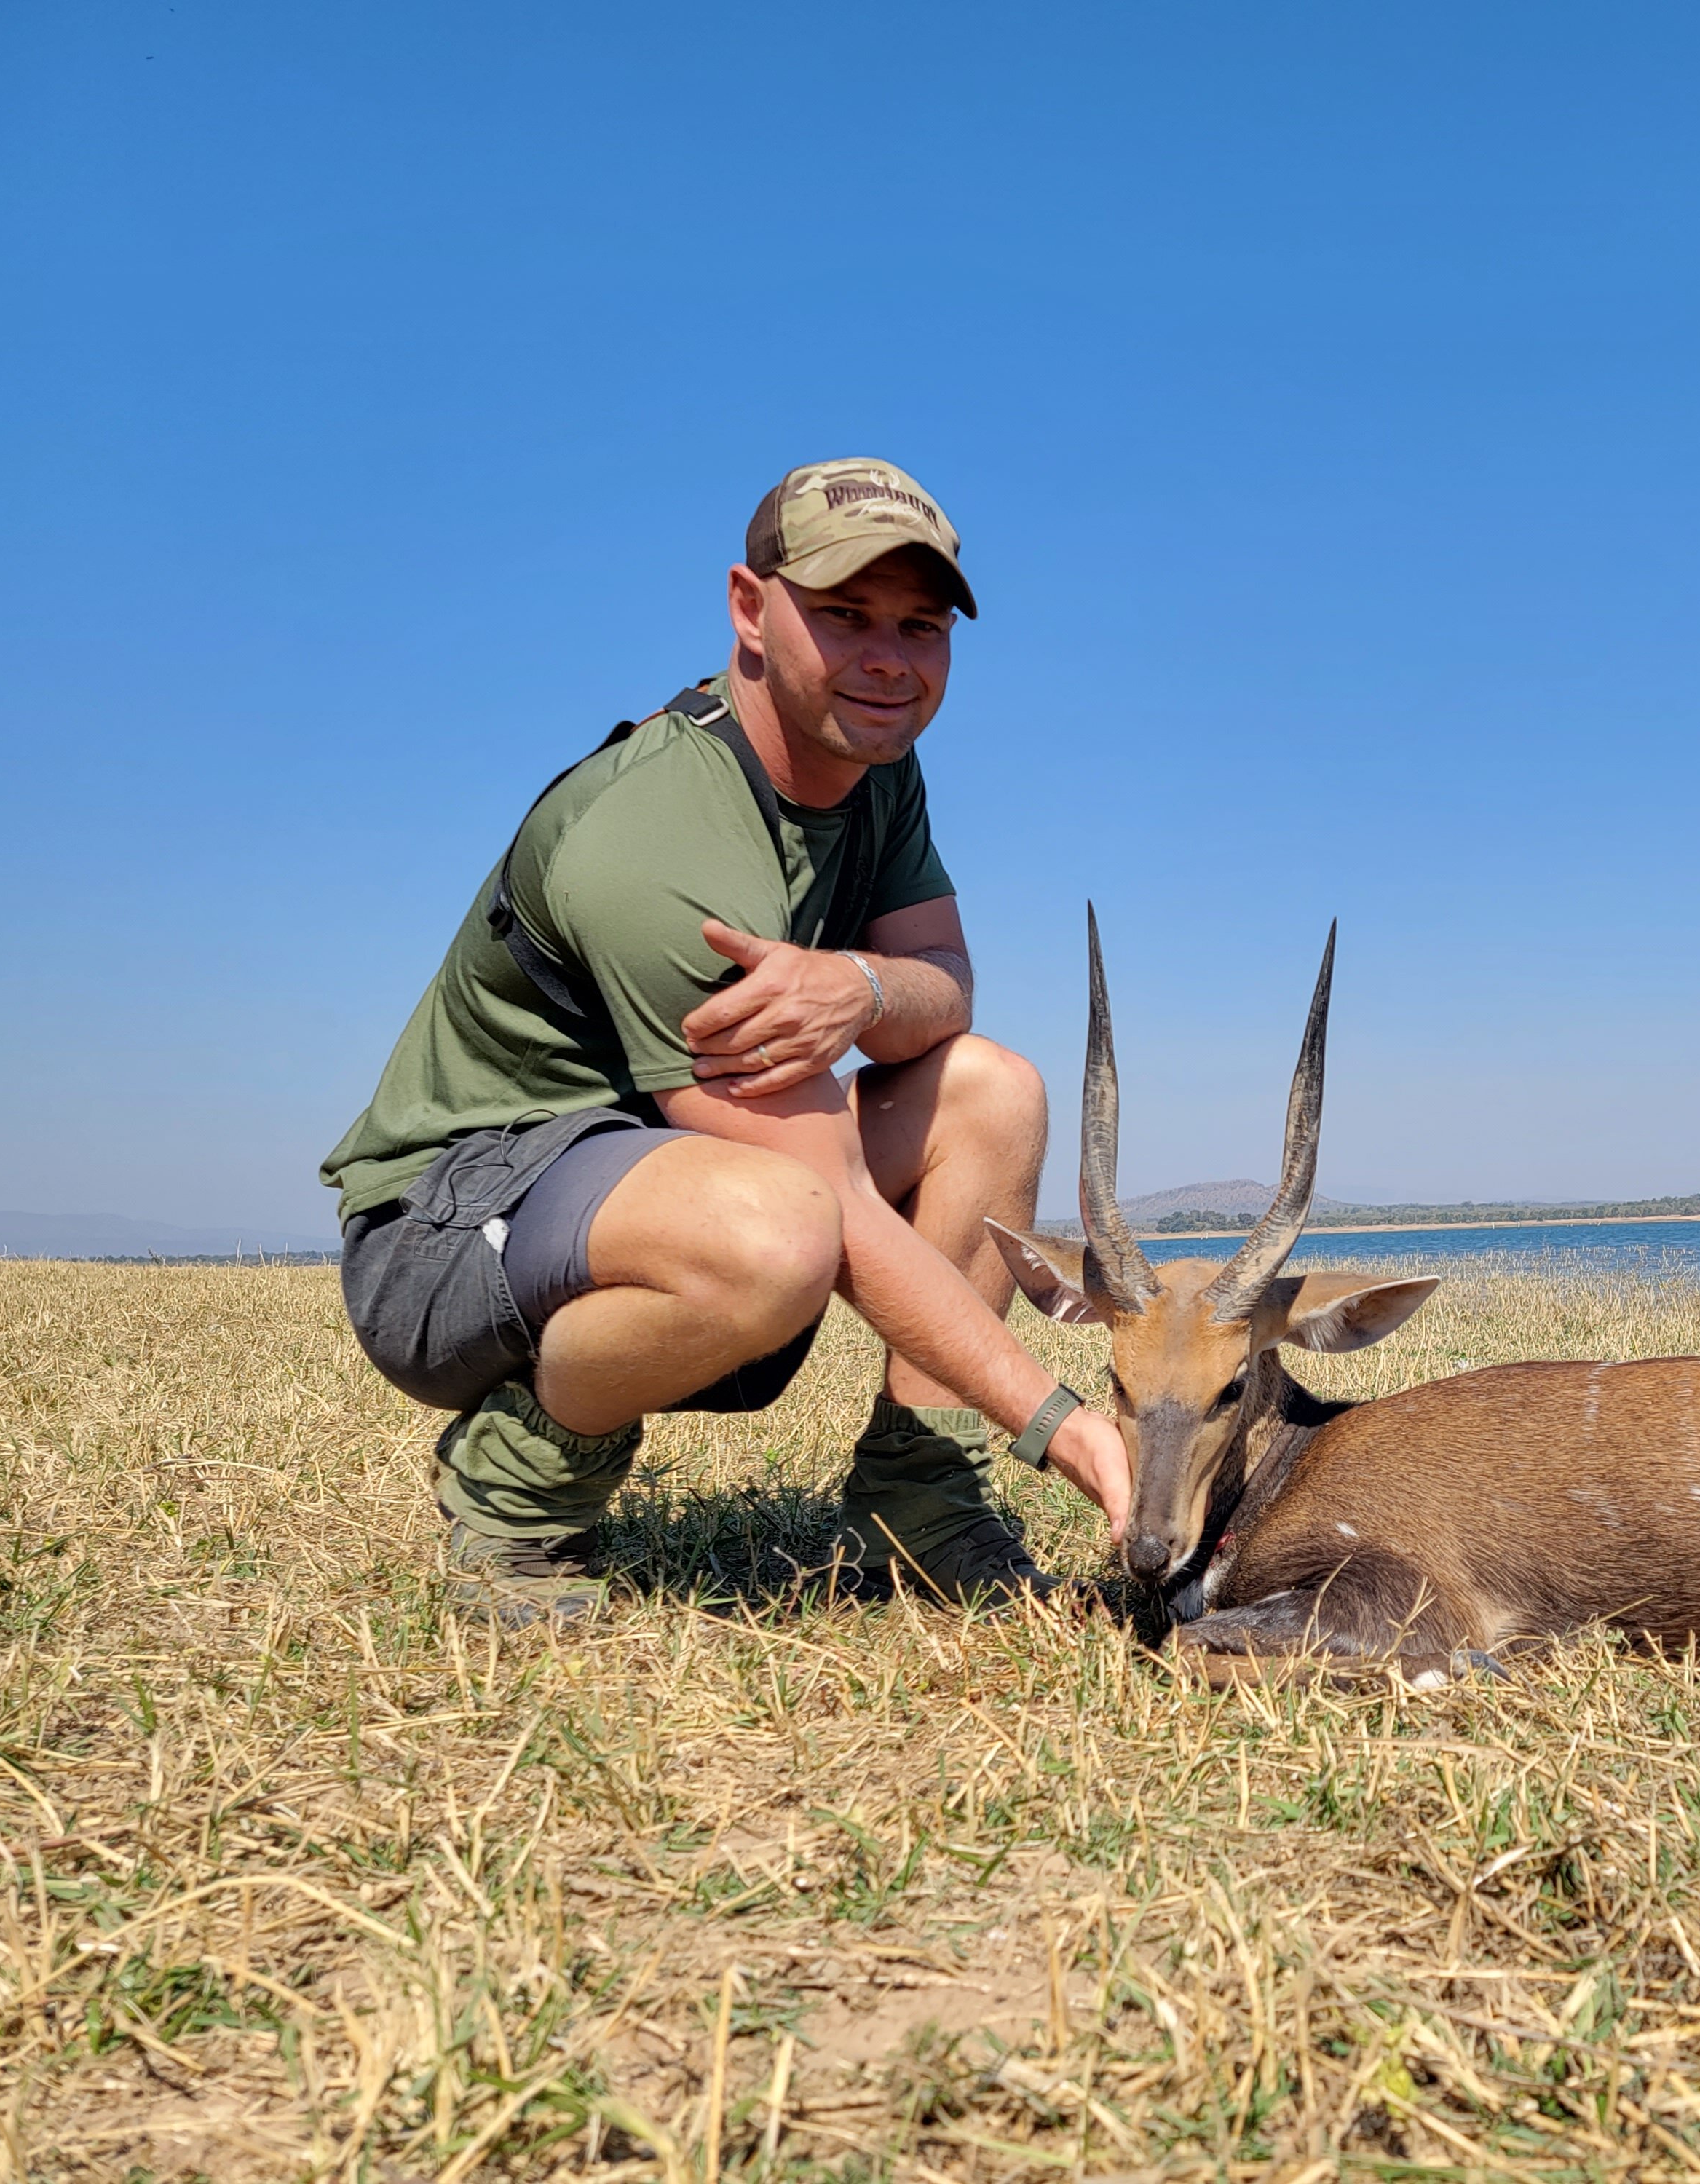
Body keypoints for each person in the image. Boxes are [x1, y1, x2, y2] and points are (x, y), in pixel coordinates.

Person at [322, 460, 1131, 1623]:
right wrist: (1067, 1426)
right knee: (782, 1228)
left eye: (920, 626)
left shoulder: (873, 766)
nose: (890, 662)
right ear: (751, 609)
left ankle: (919, 1492)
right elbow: (832, 1203)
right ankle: (516, 1495)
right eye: (845, 616)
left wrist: (857, 984)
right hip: (444, 1233)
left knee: (993, 1092)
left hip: (651, 1174)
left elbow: (946, 985)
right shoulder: (652, 832)